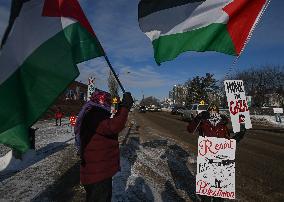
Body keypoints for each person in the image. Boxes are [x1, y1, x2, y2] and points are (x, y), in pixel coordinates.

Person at [75, 89, 133, 202]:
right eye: (108, 102)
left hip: (97, 172)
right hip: (97, 175)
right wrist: (125, 107)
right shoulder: (94, 114)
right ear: (101, 102)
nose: (109, 104)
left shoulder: (93, 113)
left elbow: (109, 124)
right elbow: (113, 127)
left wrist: (121, 108)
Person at [187, 104, 246, 202]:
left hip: (220, 164)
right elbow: (190, 129)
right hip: (206, 162)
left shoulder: (223, 125)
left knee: (219, 195)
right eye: (211, 111)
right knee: (206, 195)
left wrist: (239, 136)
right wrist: (198, 118)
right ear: (208, 112)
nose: (213, 113)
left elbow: (227, 144)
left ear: (218, 113)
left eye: (215, 111)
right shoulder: (203, 122)